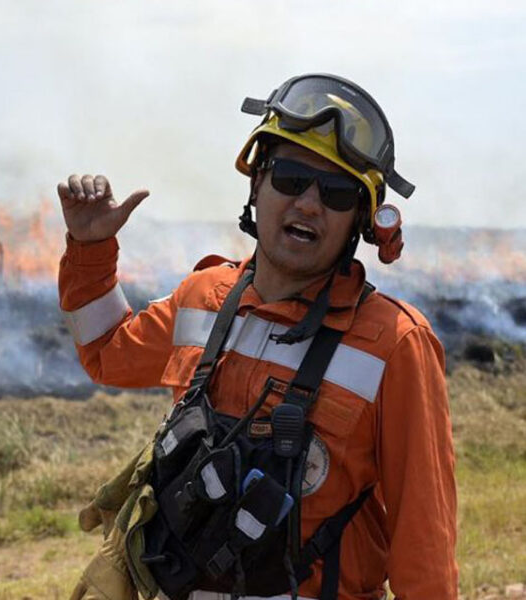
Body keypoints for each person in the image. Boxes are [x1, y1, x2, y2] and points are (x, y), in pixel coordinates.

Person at [59, 74, 456, 600]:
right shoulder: (204, 295)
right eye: (291, 178)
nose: (309, 204)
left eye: (336, 192)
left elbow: (422, 537)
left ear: (360, 221)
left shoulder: (394, 344)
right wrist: (91, 249)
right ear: (257, 184)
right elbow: (107, 351)